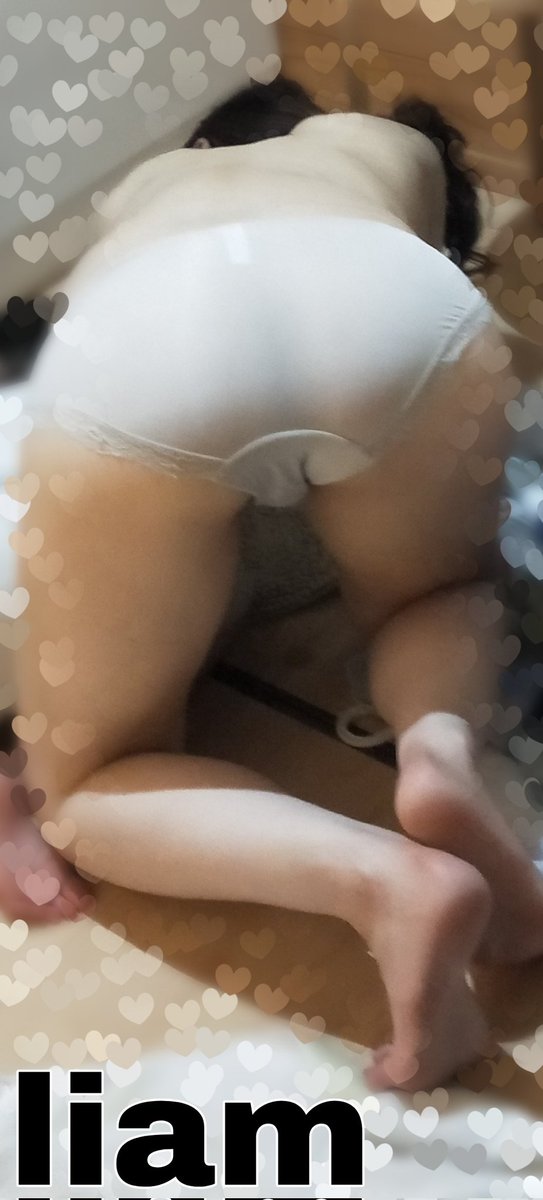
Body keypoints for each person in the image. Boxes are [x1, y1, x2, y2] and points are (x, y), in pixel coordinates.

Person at [4, 75, 542, 1090]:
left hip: (145, 338)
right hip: (388, 297)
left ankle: (384, 881)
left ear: (214, 143)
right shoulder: (385, 152)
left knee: (81, 782)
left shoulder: (156, 182)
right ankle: (436, 754)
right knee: (436, 596)